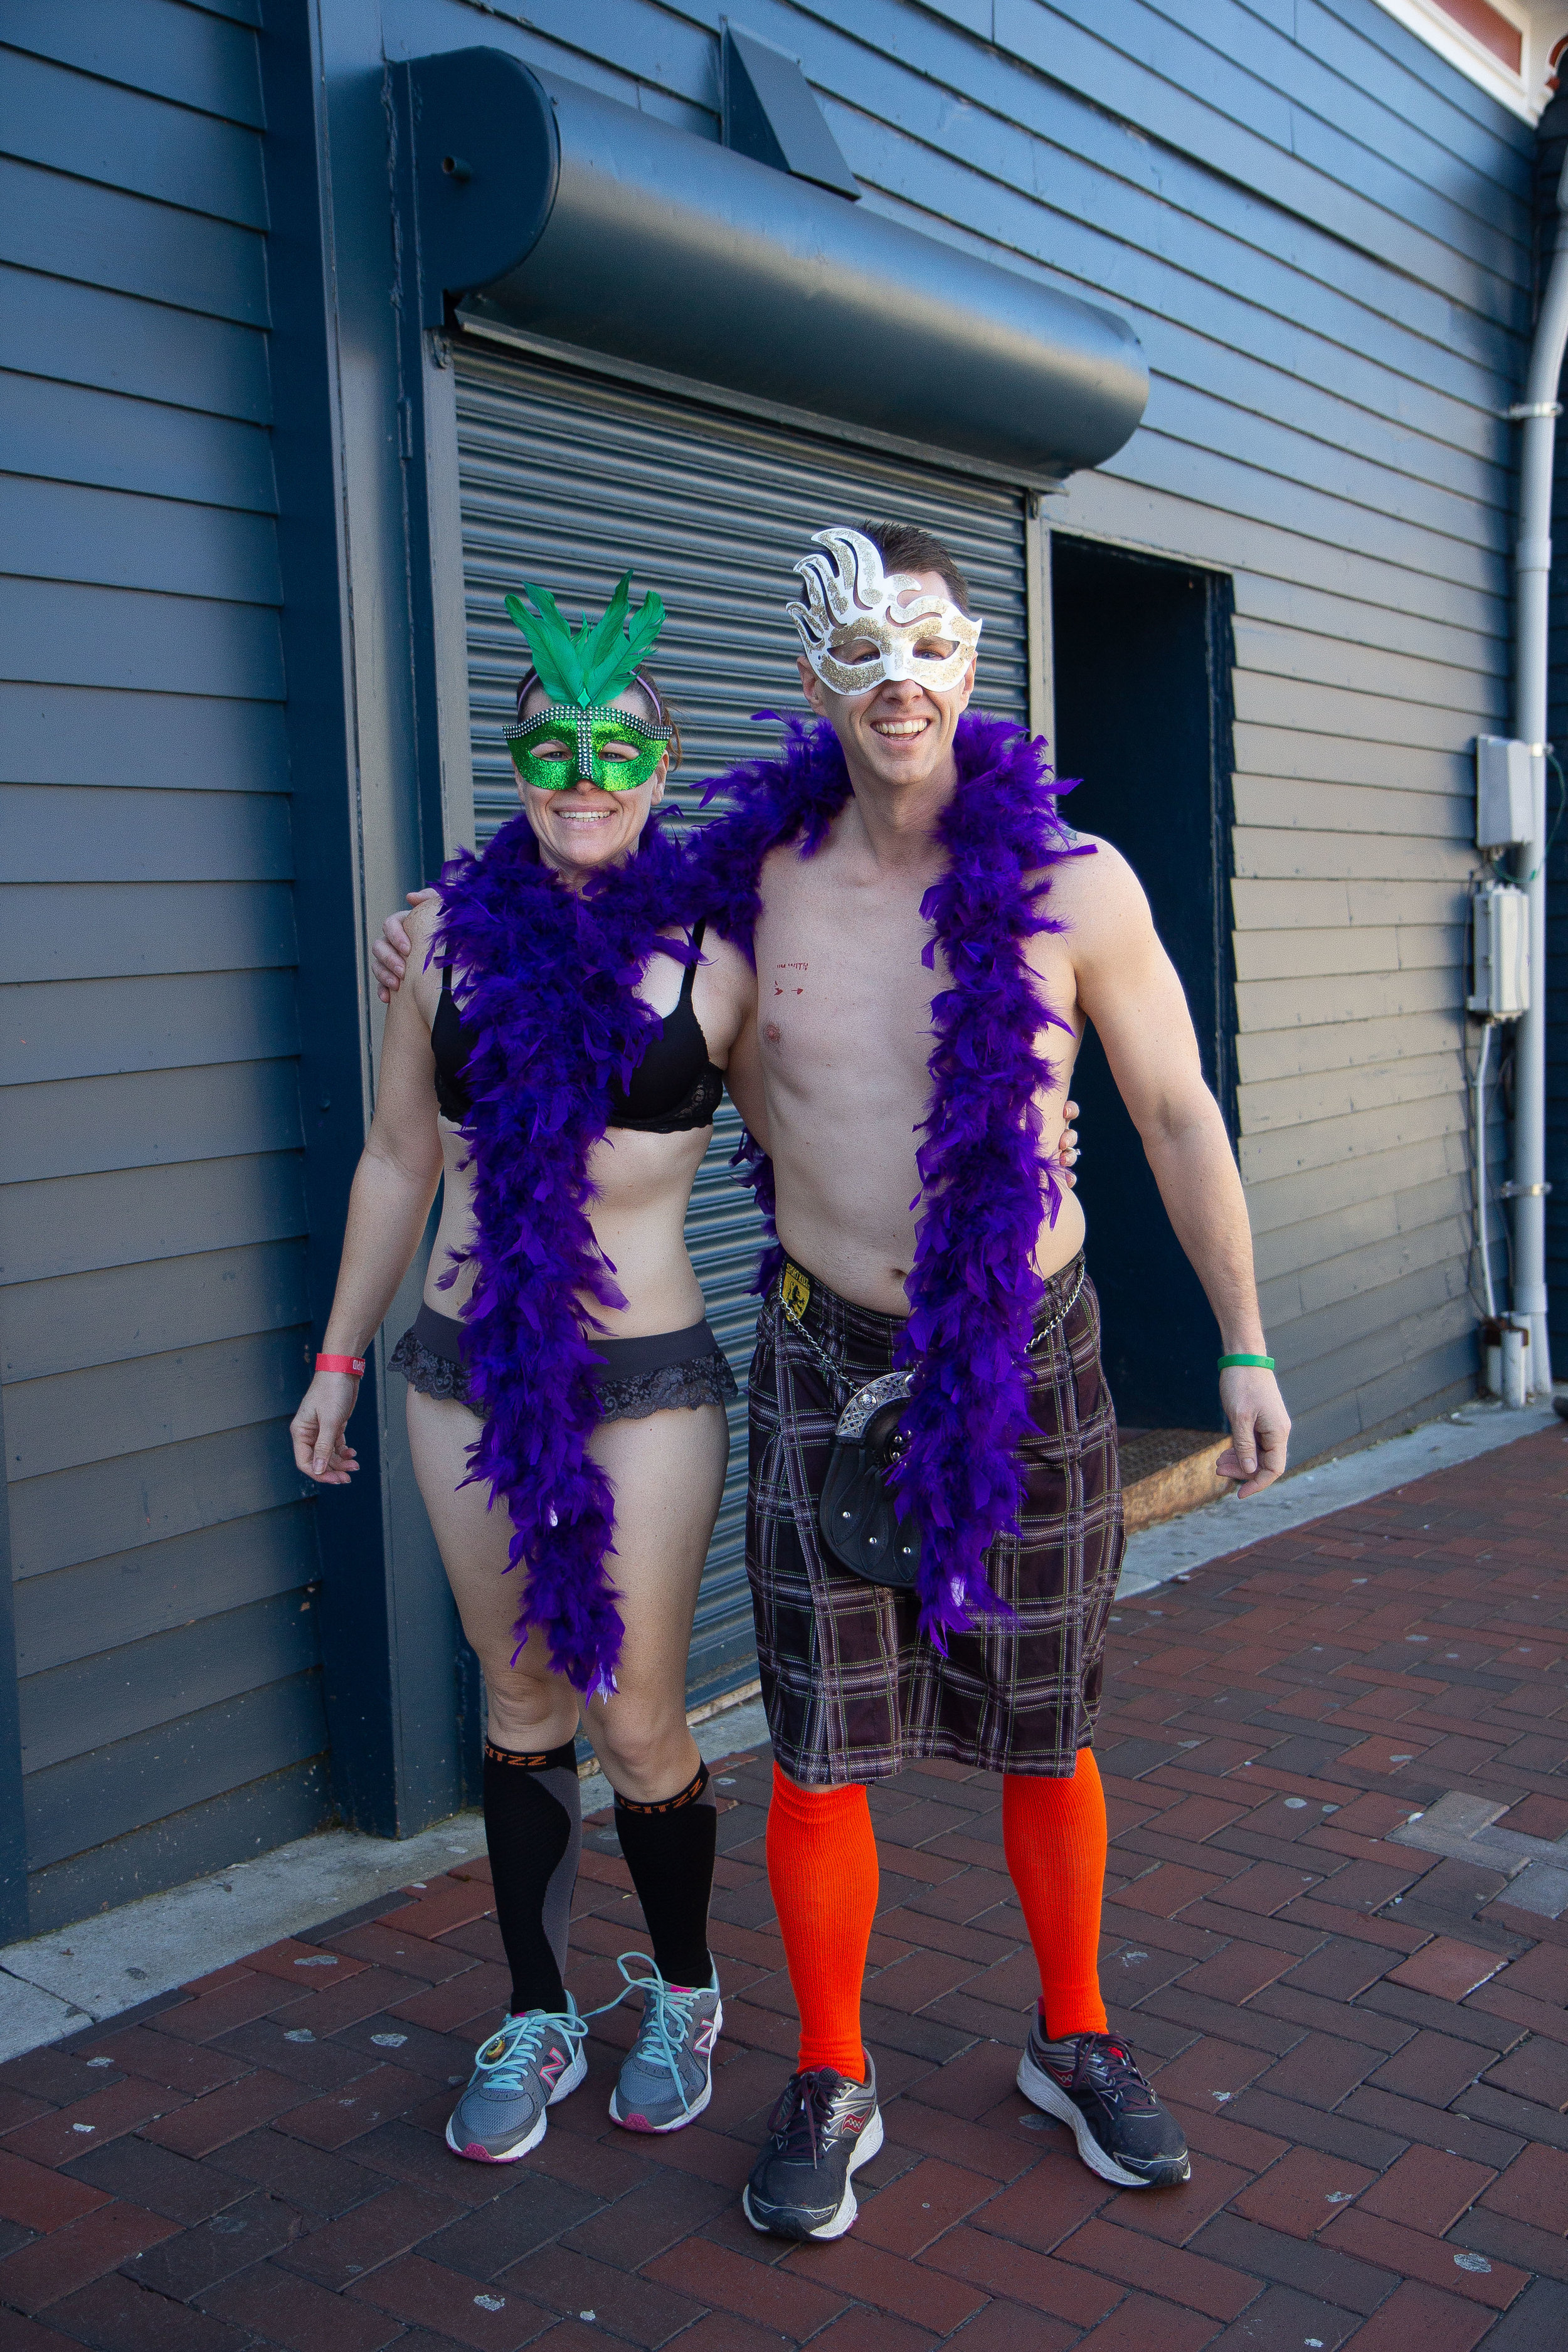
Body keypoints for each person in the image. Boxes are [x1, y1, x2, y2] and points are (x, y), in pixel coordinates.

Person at [672, 521, 1292, 2242]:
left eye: (931, 643)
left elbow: (1173, 1113)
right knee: (817, 1742)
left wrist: (1239, 1338)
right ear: (813, 678)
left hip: (1028, 1351)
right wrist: (448, 951)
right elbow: (624, 1031)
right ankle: (832, 2068)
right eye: (862, 650)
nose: (900, 679)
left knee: (1047, 1715)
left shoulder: (1074, 880)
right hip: (824, 1352)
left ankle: (1073, 2034)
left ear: (969, 662)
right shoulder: (748, 885)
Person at [290, 571, 756, 2164]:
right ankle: (539, 2006)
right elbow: (394, 1161)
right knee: (517, 1691)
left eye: (614, 750)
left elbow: (827, 1128)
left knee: (634, 1713)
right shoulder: (441, 944)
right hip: (463, 1373)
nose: (581, 781)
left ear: (661, 768)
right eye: (549, 751)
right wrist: (338, 1357)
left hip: (646, 1380)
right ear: (513, 769)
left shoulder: (723, 949)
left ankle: (683, 1986)